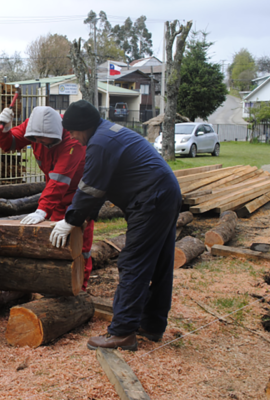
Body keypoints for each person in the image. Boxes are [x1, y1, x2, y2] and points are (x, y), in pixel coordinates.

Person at [49, 100, 182, 351]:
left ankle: (122, 333)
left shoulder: (100, 143)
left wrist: (70, 221)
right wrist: (83, 217)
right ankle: (151, 325)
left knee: (134, 263)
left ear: (84, 127)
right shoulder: (108, 133)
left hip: (152, 198)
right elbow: (102, 187)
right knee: (159, 263)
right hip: (165, 193)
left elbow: (89, 189)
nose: (73, 138)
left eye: (74, 132)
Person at [0, 106, 95, 288]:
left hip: (79, 197)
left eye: (45, 140)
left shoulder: (73, 140)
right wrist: (5, 130)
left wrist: (41, 211)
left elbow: (59, 180)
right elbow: (8, 145)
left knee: (80, 245)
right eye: (36, 139)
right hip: (55, 198)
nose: (39, 142)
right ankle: (57, 285)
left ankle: (80, 289)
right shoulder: (32, 127)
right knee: (55, 243)